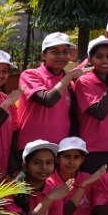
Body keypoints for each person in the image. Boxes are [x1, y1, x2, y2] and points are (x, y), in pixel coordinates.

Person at [15, 34, 86, 169]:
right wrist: (69, 76)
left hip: (59, 149)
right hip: (31, 148)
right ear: (43, 55)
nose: (61, 56)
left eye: (65, 52)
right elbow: (47, 100)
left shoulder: (69, 82)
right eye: (55, 52)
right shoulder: (31, 75)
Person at [73, 37, 108, 171]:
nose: (105, 61)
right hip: (92, 153)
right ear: (90, 60)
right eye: (99, 56)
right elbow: (99, 112)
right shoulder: (85, 81)